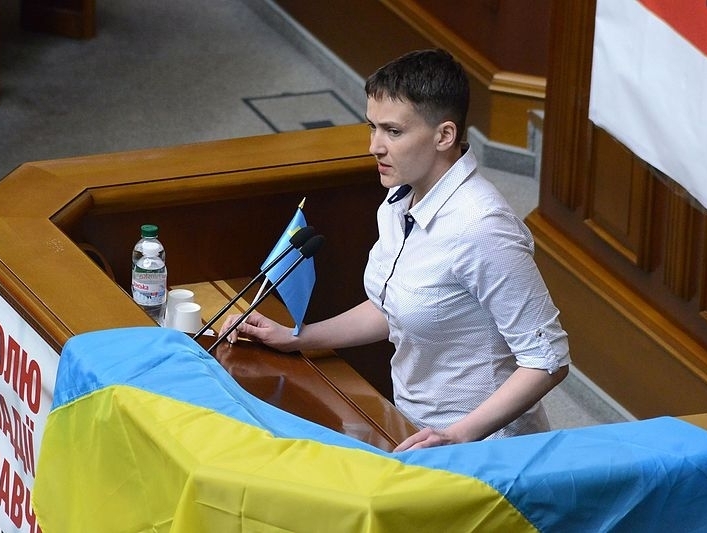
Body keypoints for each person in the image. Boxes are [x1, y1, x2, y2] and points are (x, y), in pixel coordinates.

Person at [222, 48, 570, 451]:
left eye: (393, 131)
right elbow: (391, 307)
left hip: (483, 451)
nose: (374, 146)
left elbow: (548, 358)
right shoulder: (399, 200)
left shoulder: (482, 229)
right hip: (412, 431)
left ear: (444, 135)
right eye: (372, 127)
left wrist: (459, 434)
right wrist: (299, 337)